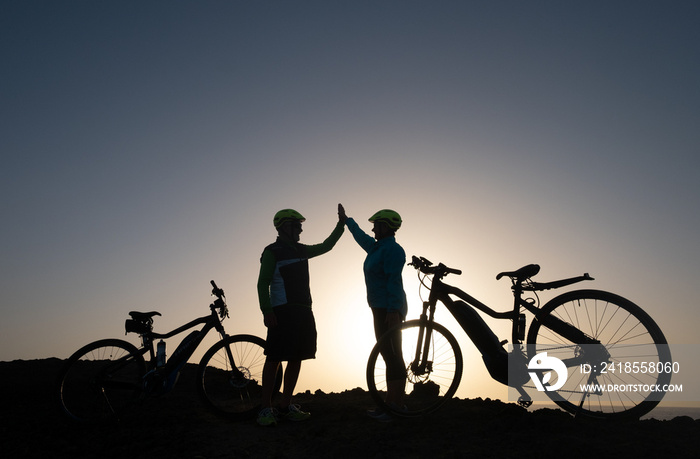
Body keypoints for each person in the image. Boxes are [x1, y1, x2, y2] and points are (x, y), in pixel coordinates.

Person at [256, 206, 345, 426]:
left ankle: (285, 405)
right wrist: (267, 311)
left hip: (304, 310)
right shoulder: (271, 251)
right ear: (284, 226)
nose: (300, 230)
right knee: (274, 358)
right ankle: (265, 408)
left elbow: (326, 246)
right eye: (297, 225)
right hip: (281, 311)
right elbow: (262, 283)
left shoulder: (300, 249)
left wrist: (341, 224)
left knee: (297, 358)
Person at [339, 204, 407, 422]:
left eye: (376, 225)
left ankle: (395, 407)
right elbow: (360, 237)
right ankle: (391, 404)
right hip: (379, 309)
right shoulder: (377, 248)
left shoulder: (393, 250)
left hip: (389, 310)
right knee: (389, 355)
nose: (373, 229)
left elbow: (393, 281)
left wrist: (394, 310)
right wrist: (347, 220)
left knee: (393, 356)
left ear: (386, 227)